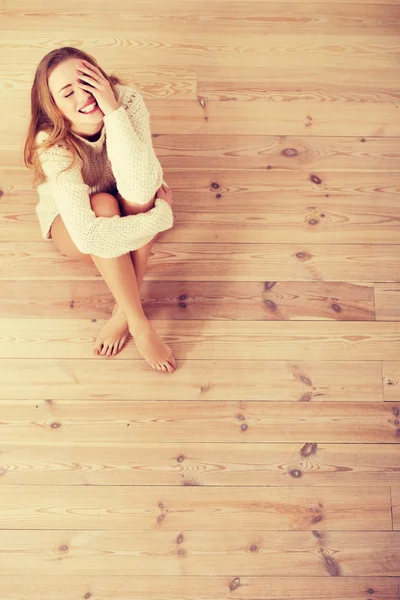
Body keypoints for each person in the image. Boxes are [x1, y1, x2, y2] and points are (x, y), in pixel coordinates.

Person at [24, 47, 176, 373]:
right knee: (104, 206)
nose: (85, 95)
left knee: (138, 192)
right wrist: (160, 217)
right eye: (68, 93)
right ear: (55, 108)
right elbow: (90, 236)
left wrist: (113, 111)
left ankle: (124, 312)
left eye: (88, 80)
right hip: (73, 221)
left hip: (127, 193)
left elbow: (139, 183)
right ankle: (139, 323)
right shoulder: (51, 141)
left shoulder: (126, 101)